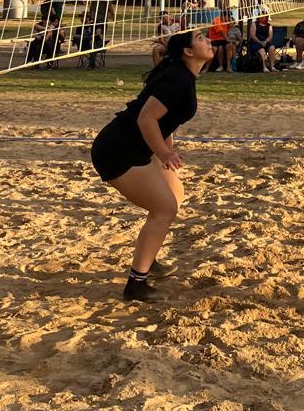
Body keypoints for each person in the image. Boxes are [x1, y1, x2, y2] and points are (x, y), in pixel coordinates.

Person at [90, 29, 214, 300]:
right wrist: (165, 154)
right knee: (165, 207)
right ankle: (136, 284)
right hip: (116, 150)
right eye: (202, 39)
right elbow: (146, 119)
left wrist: (164, 153)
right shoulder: (177, 78)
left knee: (175, 196)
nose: (209, 41)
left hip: (136, 147)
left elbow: (166, 121)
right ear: (188, 52)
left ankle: (148, 255)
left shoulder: (185, 75)